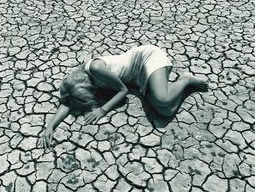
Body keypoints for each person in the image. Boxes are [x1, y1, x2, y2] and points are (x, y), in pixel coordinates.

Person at [39, 44, 208, 148]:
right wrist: (50, 126)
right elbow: (67, 101)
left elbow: (122, 90)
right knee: (166, 111)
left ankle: (185, 80)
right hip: (136, 79)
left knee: (162, 99)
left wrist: (103, 110)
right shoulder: (76, 83)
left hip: (145, 59)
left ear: (85, 88)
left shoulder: (96, 68)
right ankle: (172, 88)